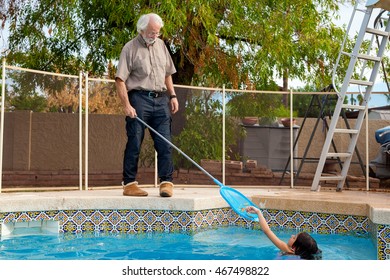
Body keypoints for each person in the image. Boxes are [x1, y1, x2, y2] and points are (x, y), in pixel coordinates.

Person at [115, 13, 178, 197]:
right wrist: (126, 105)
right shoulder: (130, 48)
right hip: (139, 99)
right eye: (151, 32)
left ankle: (166, 182)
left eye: (157, 32)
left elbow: (168, 73)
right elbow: (120, 80)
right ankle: (129, 184)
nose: (154, 36)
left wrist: (172, 95)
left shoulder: (161, 46)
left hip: (161, 100)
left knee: (165, 142)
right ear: (141, 30)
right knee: (135, 140)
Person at [245, 206, 322, 260]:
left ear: (295, 248)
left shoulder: (287, 250)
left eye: (294, 237)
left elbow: (267, 231)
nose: (292, 235)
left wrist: (258, 212)